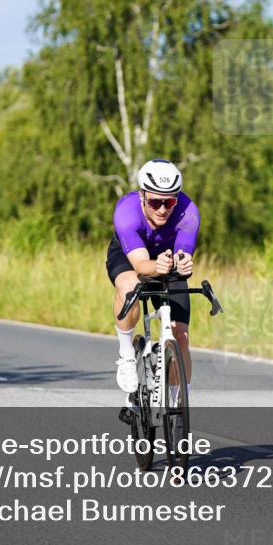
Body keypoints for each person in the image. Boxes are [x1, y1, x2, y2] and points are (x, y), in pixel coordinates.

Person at [106, 159, 199, 400]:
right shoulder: (126, 213)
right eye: (156, 202)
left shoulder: (188, 212)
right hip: (130, 255)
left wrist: (184, 264)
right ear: (142, 196)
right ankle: (127, 354)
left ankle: (179, 405)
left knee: (181, 336)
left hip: (165, 257)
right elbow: (140, 266)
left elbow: (182, 255)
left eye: (169, 202)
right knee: (130, 286)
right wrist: (156, 267)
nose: (162, 209)